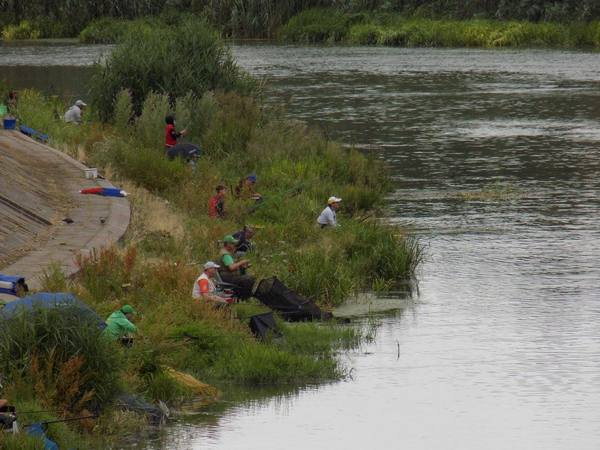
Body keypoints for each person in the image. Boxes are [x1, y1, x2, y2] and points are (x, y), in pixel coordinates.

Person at [218, 235, 255, 299]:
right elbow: (231, 267)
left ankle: (242, 296)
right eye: (232, 243)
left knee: (246, 278)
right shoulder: (226, 255)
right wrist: (242, 262)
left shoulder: (224, 252)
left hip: (226, 275)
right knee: (249, 279)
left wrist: (242, 266)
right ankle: (244, 297)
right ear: (228, 244)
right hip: (226, 277)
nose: (234, 245)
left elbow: (231, 266)